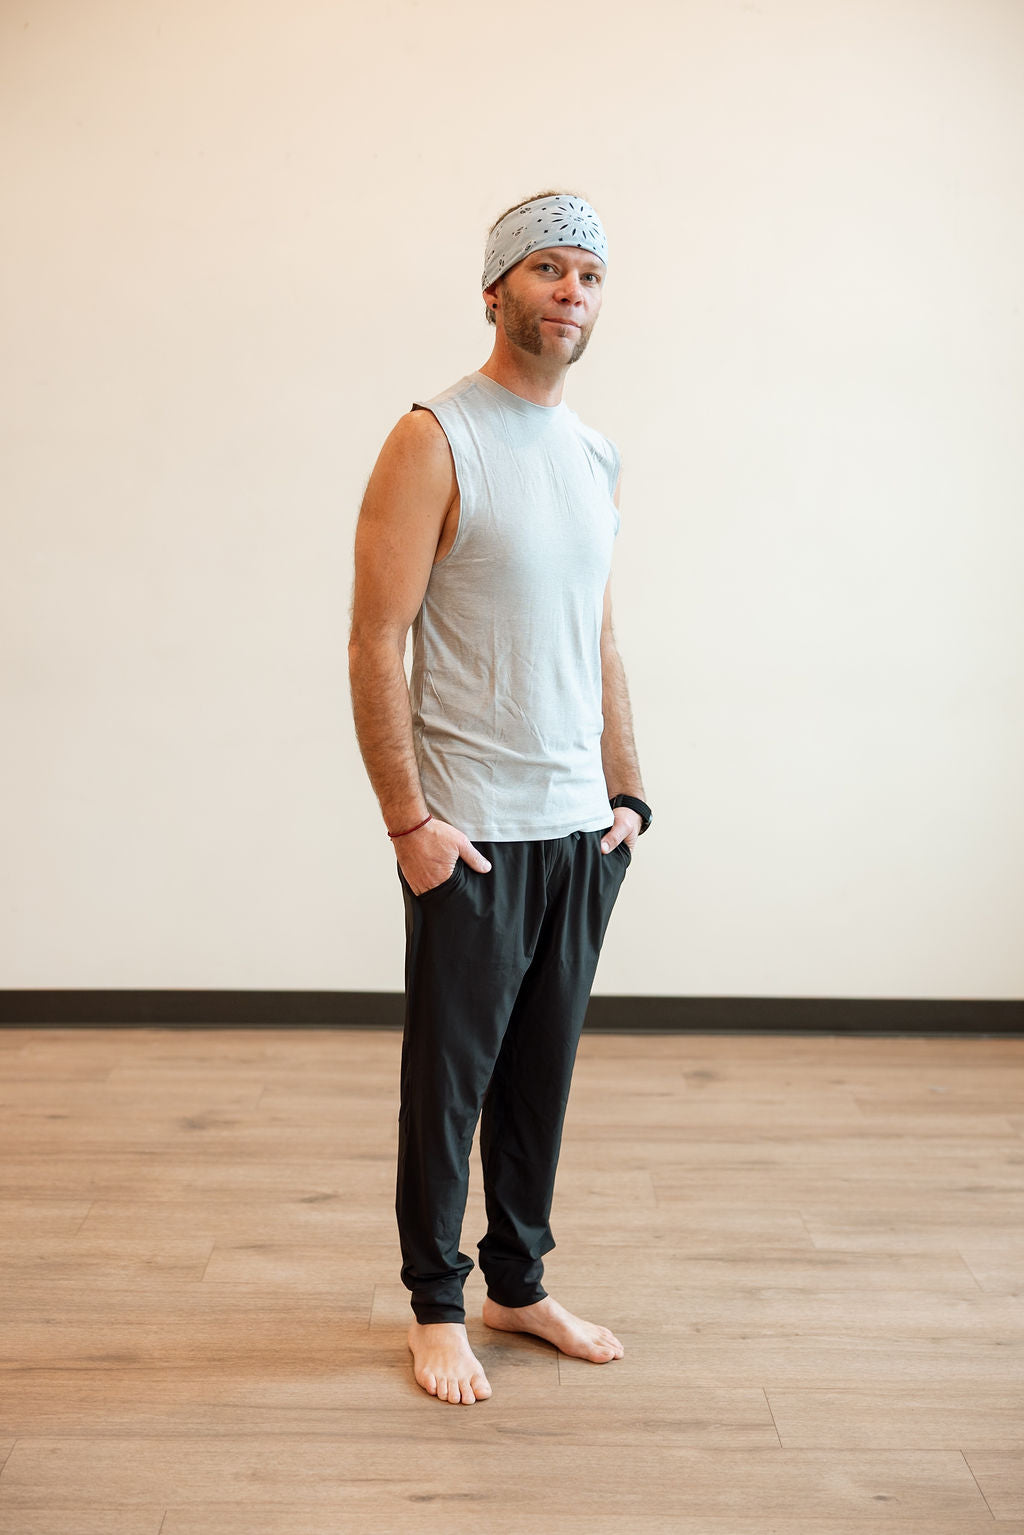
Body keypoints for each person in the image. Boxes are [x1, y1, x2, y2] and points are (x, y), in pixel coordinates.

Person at [349, 190, 651, 1405]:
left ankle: (514, 1284)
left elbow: (601, 631)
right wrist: (409, 822)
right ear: (495, 293)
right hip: (469, 828)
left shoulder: (594, 451)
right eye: (547, 269)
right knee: (452, 1080)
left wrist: (629, 793)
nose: (571, 291)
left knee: (543, 1074)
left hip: (581, 824)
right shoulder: (435, 434)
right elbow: (377, 639)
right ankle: (435, 1301)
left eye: (588, 274)